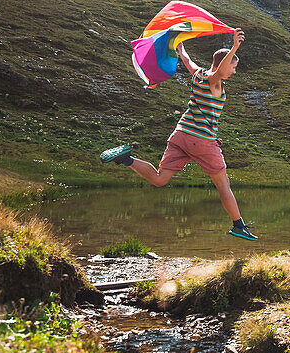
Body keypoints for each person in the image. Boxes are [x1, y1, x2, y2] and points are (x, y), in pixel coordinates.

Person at [100, 29, 258, 240]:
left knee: (160, 179)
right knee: (223, 185)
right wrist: (235, 47)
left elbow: (187, 60)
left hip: (180, 134)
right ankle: (238, 225)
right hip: (201, 140)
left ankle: (126, 158)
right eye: (234, 66)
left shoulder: (198, 74)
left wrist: (179, 46)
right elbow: (219, 72)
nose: (234, 71)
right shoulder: (215, 81)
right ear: (223, 64)